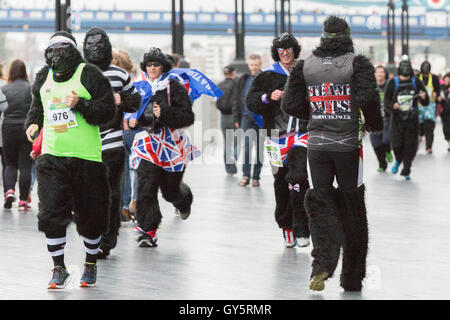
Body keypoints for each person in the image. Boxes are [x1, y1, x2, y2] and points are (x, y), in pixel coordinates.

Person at [282, 16, 383, 291]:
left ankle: (322, 265)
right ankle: (351, 278)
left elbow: (290, 105)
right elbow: (369, 99)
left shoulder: (305, 66)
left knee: (320, 205)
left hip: (317, 146)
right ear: (346, 36)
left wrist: (315, 114)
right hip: (348, 145)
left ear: (323, 37)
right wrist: (374, 125)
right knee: (353, 207)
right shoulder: (357, 63)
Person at [25, 31, 115, 289]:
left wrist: (81, 104)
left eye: (62, 49)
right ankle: (58, 267)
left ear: (73, 51)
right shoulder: (43, 76)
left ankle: (90, 262)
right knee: (51, 213)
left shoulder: (89, 74)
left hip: (86, 158)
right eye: (52, 49)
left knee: (91, 216)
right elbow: (37, 111)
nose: (57, 54)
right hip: (52, 157)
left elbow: (108, 111)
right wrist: (32, 126)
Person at [247, 34, 310, 248]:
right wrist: (267, 97)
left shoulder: (304, 71)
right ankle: (287, 227)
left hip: (302, 135)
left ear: (295, 50)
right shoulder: (266, 75)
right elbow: (251, 101)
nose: (285, 52)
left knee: (300, 178)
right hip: (275, 137)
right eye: (281, 49)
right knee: (281, 182)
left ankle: (303, 227)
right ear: (277, 52)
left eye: (289, 48)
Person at [83, 27, 141, 259]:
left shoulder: (120, 74)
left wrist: (123, 99)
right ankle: (93, 236)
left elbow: (135, 100)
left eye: (99, 44)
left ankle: (106, 239)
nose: (95, 48)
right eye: (91, 44)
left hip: (113, 142)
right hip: (84, 143)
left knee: (111, 192)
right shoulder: (80, 73)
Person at [129, 47, 195, 248]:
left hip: (172, 147)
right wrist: (131, 120)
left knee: (169, 191)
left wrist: (164, 112)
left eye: (156, 64)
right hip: (147, 145)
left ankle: (183, 199)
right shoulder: (138, 87)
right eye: (148, 64)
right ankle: (148, 231)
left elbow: (187, 117)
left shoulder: (173, 87)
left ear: (163, 66)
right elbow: (129, 110)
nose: (152, 68)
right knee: (146, 188)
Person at [385, 56, 429, 180]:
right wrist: (393, 105)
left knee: (410, 146)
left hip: (412, 120)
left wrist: (424, 97)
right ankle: (398, 160)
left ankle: (407, 169)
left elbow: (425, 101)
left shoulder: (416, 82)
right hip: (397, 120)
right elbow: (386, 100)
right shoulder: (393, 82)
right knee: (397, 145)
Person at [1, 59, 33, 210]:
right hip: (26, 128)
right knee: (25, 165)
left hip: (8, 128)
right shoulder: (29, 88)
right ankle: (23, 201)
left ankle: (9, 191)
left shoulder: (5, 89)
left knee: (10, 163)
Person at [232, 54, 264, 187]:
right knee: (246, 148)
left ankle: (256, 177)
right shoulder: (244, 79)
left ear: (260, 64)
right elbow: (237, 99)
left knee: (259, 149)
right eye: (251, 65)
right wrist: (236, 117)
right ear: (249, 65)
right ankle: (245, 175)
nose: (254, 67)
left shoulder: (266, 78)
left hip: (261, 119)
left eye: (256, 65)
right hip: (245, 118)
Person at [369, 65, 393, 172]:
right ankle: (382, 163)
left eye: (382, 72)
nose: (380, 74)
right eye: (377, 72)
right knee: (375, 143)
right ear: (375, 74)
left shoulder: (389, 85)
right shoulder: (371, 87)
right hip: (374, 119)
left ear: (385, 74)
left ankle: (388, 151)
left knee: (386, 139)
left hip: (388, 118)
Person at [216, 65, 238, 175]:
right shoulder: (236, 85)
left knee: (226, 143)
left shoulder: (219, 85)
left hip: (223, 117)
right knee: (236, 143)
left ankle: (229, 169)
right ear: (233, 73)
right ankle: (234, 157)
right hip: (234, 117)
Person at [417, 61, 441, 154]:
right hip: (419, 105)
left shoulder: (434, 78)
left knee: (430, 126)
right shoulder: (417, 77)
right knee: (418, 125)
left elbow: (438, 89)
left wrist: (436, 94)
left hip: (430, 106)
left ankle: (429, 146)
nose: (425, 75)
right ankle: (419, 136)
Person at [438, 72, 450, 151]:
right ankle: (449, 143)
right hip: (444, 112)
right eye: (445, 78)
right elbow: (437, 98)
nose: (447, 80)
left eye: (448, 78)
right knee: (446, 129)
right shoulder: (441, 87)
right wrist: (437, 99)